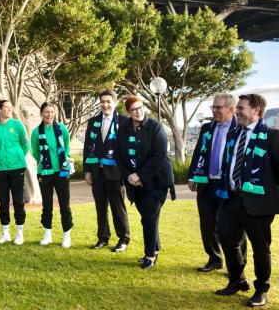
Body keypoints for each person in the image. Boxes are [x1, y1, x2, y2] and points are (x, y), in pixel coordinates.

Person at [214, 94, 279, 308]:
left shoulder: (272, 136)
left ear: (256, 110)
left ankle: (262, 289)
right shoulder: (235, 133)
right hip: (232, 199)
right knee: (225, 237)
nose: (237, 111)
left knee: (260, 248)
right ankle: (238, 280)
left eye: (241, 108)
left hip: (258, 204)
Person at [188, 93, 247, 272]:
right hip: (207, 184)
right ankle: (214, 259)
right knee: (207, 225)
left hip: (228, 186)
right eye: (212, 107)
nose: (214, 110)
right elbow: (198, 153)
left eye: (218, 107)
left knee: (233, 228)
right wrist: (192, 176)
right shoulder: (207, 128)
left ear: (231, 109)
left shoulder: (240, 129)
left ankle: (237, 266)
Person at [115, 95, 175, 269]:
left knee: (148, 218)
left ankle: (150, 254)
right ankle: (154, 248)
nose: (138, 111)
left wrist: (140, 176)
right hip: (134, 182)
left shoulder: (156, 127)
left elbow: (159, 156)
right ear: (128, 112)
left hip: (156, 181)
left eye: (140, 107)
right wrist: (130, 176)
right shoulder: (123, 129)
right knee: (148, 218)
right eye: (134, 109)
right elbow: (119, 155)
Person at [83, 90, 130, 252]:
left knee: (118, 207)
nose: (105, 105)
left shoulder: (124, 122)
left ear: (115, 102)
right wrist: (87, 170)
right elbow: (88, 146)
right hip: (97, 172)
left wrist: (127, 172)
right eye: (102, 101)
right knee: (100, 207)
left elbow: (127, 149)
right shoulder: (93, 122)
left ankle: (123, 238)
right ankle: (103, 238)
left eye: (108, 101)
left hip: (116, 172)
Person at [0, 100, 29, 245]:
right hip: (0, 169)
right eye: (7, 107)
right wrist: (0, 158)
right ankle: (5, 233)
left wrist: (17, 157)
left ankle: (20, 233)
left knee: (18, 201)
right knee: (3, 202)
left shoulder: (17, 125)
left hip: (17, 168)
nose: (10, 109)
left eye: (11, 107)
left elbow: (25, 145)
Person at [31, 102, 73, 248]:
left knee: (64, 204)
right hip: (45, 172)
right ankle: (47, 234)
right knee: (47, 205)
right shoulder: (36, 132)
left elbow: (66, 146)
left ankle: (67, 235)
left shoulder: (62, 129)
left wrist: (62, 159)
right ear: (41, 113)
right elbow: (36, 151)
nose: (49, 115)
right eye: (47, 112)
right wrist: (45, 163)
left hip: (61, 171)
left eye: (52, 112)